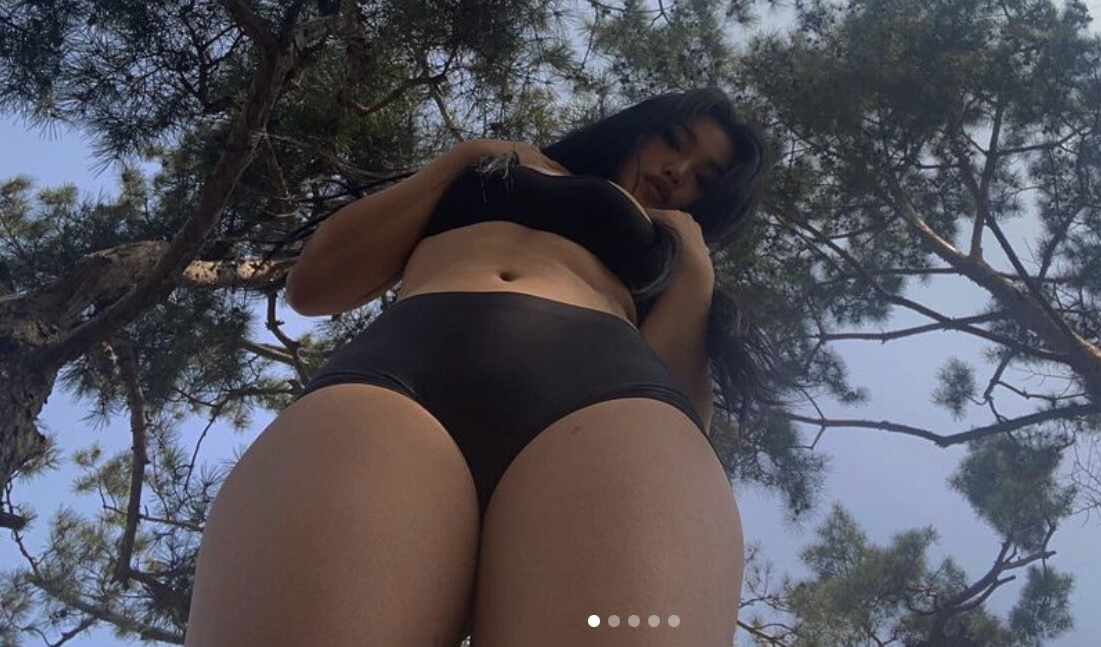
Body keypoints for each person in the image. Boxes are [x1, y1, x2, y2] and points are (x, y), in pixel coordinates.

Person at [184, 88, 776, 647]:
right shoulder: (499, 166)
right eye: (674, 141)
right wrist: (465, 158)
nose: (679, 170)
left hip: (608, 410)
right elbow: (313, 285)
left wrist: (695, 264)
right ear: (640, 129)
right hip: (395, 386)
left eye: (704, 178)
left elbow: (681, 409)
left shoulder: (671, 248)